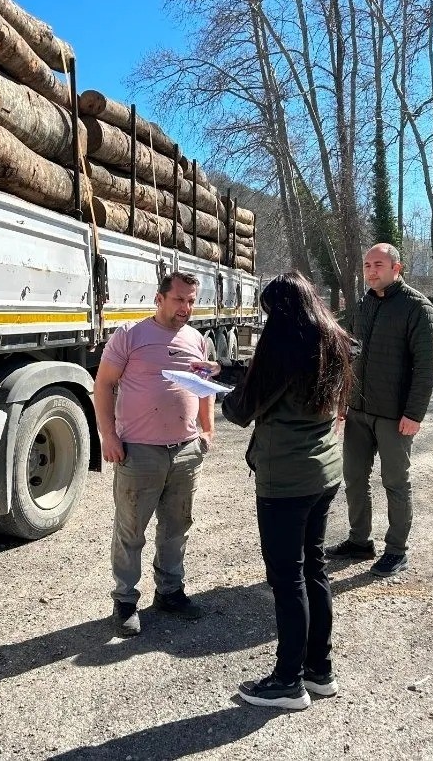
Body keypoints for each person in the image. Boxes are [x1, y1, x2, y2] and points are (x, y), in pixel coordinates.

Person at [222, 271, 352, 710]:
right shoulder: (331, 338)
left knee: (287, 578)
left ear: (278, 310)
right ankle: (320, 670)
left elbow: (241, 411)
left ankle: (287, 681)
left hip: (285, 479)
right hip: (324, 472)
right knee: (313, 569)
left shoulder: (281, 345)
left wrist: (224, 391)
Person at [94, 271, 219, 638]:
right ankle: (125, 601)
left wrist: (207, 429)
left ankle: (170, 592)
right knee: (131, 530)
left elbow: (203, 385)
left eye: (192, 300)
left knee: (177, 526)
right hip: (139, 452)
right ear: (159, 299)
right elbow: (103, 384)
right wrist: (108, 435)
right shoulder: (130, 335)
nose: (186, 307)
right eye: (179, 299)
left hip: (184, 451)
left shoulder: (197, 339)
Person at [326, 243, 433, 577]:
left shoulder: (418, 307)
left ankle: (396, 550)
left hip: (394, 415)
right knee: (354, 478)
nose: (371, 271)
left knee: (395, 482)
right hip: (359, 410)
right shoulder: (364, 304)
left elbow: (427, 366)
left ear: (396, 268)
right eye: (367, 265)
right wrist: (344, 400)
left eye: (378, 264)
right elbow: (352, 358)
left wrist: (414, 414)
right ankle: (360, 541)